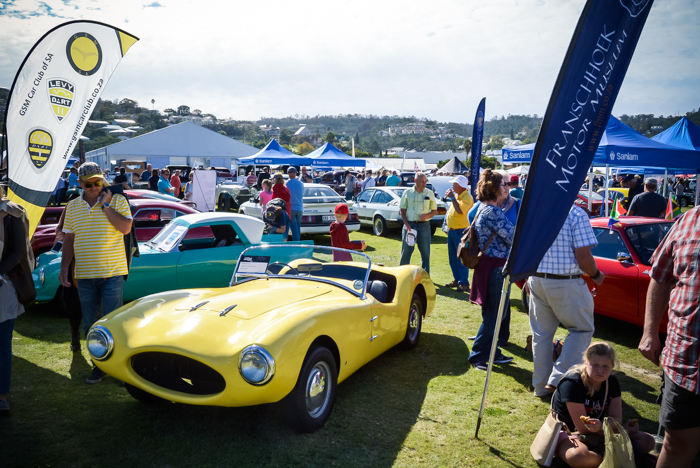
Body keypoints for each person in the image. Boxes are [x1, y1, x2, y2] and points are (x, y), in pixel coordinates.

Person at [59, 162, 133, 384]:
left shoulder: (117, 200)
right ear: (79, 183)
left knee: (114, 323)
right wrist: (64, 268)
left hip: (112, 273)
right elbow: (69, 239)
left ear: (103, 180)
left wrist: (106, 205)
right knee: (91, 325)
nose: (94, 187)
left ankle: (118, 368)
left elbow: (125, 228)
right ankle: (99, 367)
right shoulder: (72, 206)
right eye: (89, 184)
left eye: (98, 182)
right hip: (84, 276)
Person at [638, 206, 700, 468]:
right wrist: (649, 331)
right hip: (685, 360)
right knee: (676, 444)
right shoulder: (688, 219)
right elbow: (660, 277)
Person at [528, 203, 604, 397]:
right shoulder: (576, 213)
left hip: (536, 278)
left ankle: (541, 385)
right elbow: (584, 258)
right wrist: (596, 275)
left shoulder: (534, 208)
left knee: (541, 335)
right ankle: (557, 379)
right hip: (564, 281)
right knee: (582, 330)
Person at [552, 342, 655, 467]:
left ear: (612, 366)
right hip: (571, 435)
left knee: (648, 441)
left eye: (605, 366)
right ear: (586, 362)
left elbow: (616, 419)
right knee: (577, 456)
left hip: (600, 432)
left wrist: (602, 426)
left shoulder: (611, 381)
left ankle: (607, 458)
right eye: (595, 365)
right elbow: (583, 428)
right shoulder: (572, 383)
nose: (600, 370)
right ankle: (614, 458)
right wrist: (622, 431)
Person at [467, 170, 515, 370]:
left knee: (493, 313)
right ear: (494, 188)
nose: (508, 188)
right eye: (504, 184)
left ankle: (491, 352)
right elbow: (513, 238)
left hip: (489, 266)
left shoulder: (483, 208)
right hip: (495, 267)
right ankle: (478, 355)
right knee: (494, 315)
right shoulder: (493, 212)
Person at [0, 187, 32, 414]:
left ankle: (2, 396)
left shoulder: (12, 213)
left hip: (4, 286)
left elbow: (19, 251)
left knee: (2, 344)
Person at [399, 172, 438, 273]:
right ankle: (402, 275)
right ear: (415, 181)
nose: (425, 184)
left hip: (424, 226)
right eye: (422, 182)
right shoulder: (407, 192)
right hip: (410, 225)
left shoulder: (429, 193)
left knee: (425, 254)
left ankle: (425, 277)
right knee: (406, 253)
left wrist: (427, 216)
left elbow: (435, 211)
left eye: (425, 181)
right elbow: (402, 210)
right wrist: (406, 224)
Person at [444, 175, 473, 293]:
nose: (452, 185)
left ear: (461, 186)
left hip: (461, 232)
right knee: (453, 257)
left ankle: (464, 283)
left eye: (455, 184)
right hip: (452, 231)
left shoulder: (467, 197)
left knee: (461, 257)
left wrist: (452, 198)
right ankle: (457, 279)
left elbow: (460, 211)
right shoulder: (457, 196)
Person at [286, 167, 304, 241]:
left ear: (288, 173)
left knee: (293, 227)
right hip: (300, 208)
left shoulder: (286, 183)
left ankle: (297, 242)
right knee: (298, 226)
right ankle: (298, 241)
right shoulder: (301, 183)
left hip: (291, 208)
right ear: (295, 173)